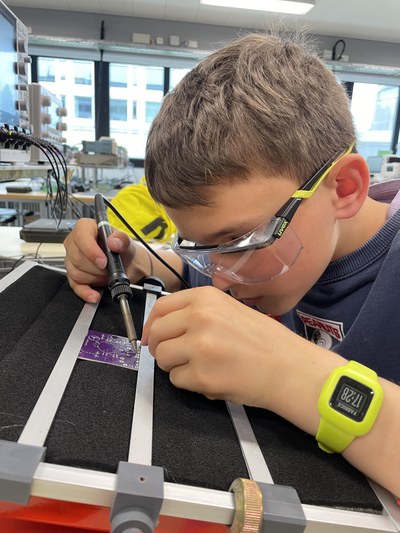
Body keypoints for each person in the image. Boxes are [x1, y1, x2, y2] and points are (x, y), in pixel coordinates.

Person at [64, 32, 400, 499]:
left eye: (240, 242)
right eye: (202, 246)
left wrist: (289, 372)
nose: (221, 278)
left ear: (344, 188)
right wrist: (133, 259)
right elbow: (189, 269)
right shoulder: (271, 249)